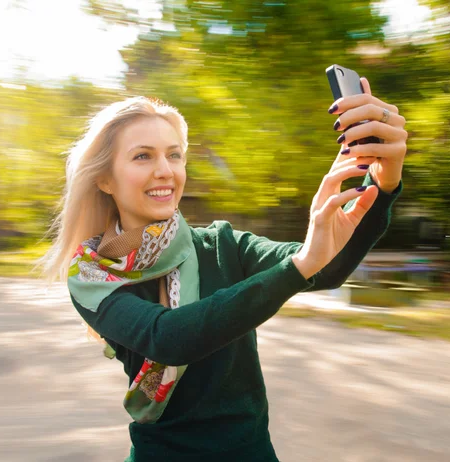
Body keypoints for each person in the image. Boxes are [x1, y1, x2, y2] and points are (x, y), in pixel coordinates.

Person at [39, 76, 407, 461]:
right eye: (143, 156)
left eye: (174, 154)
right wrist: (299, 266)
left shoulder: (222, 245)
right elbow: (167, 338)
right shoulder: (92, 274)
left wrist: (384, 180)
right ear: (104, 179)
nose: (166, 170)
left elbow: (325, 266)